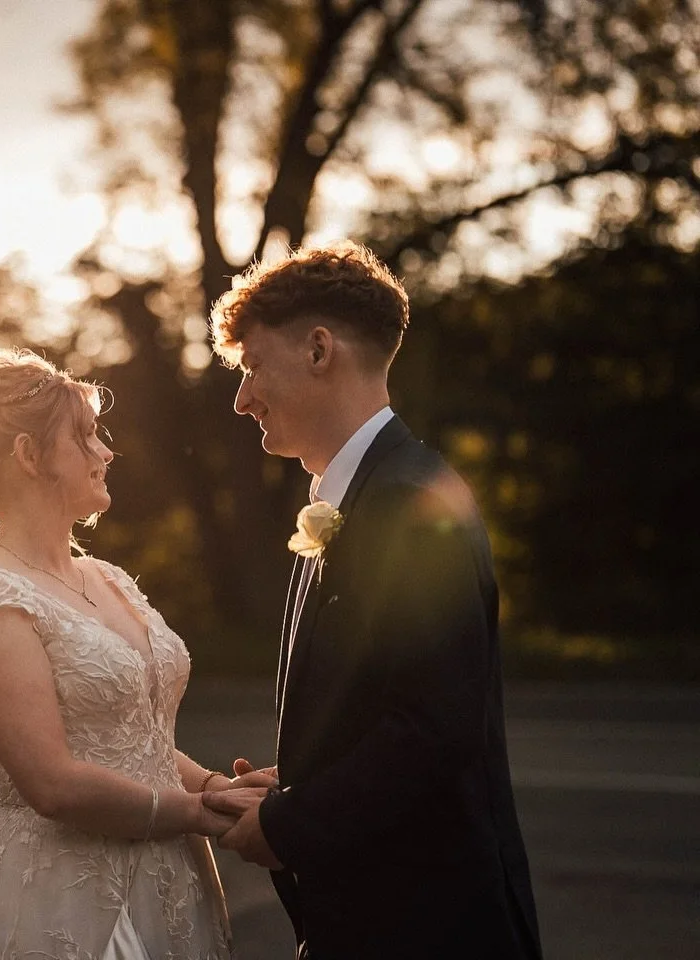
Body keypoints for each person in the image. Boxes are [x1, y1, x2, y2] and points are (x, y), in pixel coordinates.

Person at [201, 241, 544, 959]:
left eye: (253, 366)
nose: (242, 397)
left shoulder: (408, 503)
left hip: (430, 928)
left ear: (319, 350)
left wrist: (288, 827)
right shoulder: (356, 497)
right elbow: (381, 703)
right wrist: (295, 781)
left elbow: (432, 729)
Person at [0, 345, 272, 960]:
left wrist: (223, 787)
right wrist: (201, 812)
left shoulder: (108, 578)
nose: (105, 452)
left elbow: (134, 740)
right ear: (28, 455)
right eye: (84, 437)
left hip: (170, 881)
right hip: (63, 896)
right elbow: (53, 785)